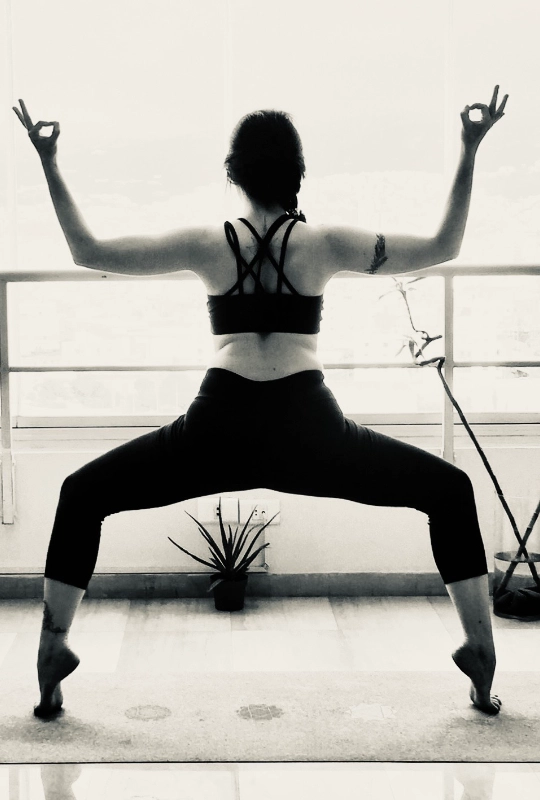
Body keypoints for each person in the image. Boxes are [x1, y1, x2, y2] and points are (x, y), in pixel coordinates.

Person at [13, 87, 508, 719]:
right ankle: (479, 645)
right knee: (449, 490)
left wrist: (49, 161)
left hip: (219, 421)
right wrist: (469, 148)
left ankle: (53, 647)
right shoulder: (326, 243)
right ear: (298, 173)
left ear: (234, 174)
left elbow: (89, 251)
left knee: (82, 493)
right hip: (310, 426)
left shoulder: (207, 242)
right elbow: (444, 246)